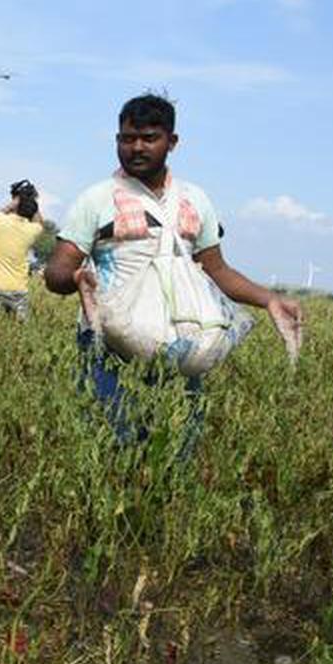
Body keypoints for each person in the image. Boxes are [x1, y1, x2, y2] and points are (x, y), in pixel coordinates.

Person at [44, 93, 301, 454]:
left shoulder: (194, 200)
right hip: (110, 344)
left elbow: (217, 271)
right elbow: (57, 271)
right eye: (127, 138)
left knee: (175, 449)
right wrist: (74, 280)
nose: (136, 147)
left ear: (172, 142)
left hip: (182, 344)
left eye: (149, 138)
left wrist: (269, 300)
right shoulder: (97, 199)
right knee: (108, 446)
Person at [0, 179, 44, 320]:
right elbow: (40, 223)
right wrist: (32, 201)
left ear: (15, 201)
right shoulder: (31, 230)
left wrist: (15, 201)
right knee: (19, 332)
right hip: (18, 290)